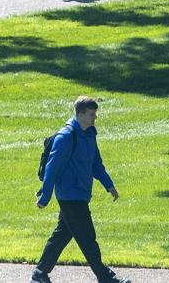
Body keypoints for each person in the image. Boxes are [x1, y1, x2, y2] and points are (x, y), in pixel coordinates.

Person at [33, 96, 130, 283]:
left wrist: (109, 185)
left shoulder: (90, 134)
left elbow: (96, 164)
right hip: (70, 196)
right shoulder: (66, 137)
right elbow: (52, 168)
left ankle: (39, 274)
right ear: (80, 114)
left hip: (81, 193)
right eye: (92, 114)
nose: (95, 118)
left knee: (62, 234)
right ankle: (105, 277)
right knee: (87, 238)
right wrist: (45, 196)